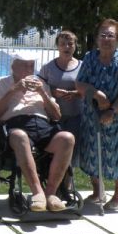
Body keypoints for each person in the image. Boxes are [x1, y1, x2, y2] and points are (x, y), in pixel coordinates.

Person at [0, 54, 73, 212]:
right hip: (15, 125)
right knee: (20, 136)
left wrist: (42, 93)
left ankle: (51, 194)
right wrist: (14, 90)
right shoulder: (1, 83)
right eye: (25, 65)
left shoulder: (42, 84)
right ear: (13, 66)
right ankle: (37, 193)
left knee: (67, 138)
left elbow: (56, 116)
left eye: (31, 65)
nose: (29, 69)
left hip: (42, 124)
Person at [75, 19, 118, 210]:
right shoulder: (89, 57)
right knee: (93, 152)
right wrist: (97, 94)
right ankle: (98, 192)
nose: (106, 38)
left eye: (110, 35)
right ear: (96, 38)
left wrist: (112, 110)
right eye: (102, 34)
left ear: (117, 38)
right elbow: (80, 84)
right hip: (92, 115)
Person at [39, 31, 82, 166]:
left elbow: (89, 89)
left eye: (70, 44)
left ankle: (67, 185)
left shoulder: (83, 66)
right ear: (58, 46)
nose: (67, 47)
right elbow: (38, 89)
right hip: (53, 118)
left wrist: (76, 93)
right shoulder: (48, 67)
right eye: (63, 44)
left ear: (75, 46)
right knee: (53, 154)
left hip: (76, 116)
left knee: (72, 152)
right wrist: (52, 92)